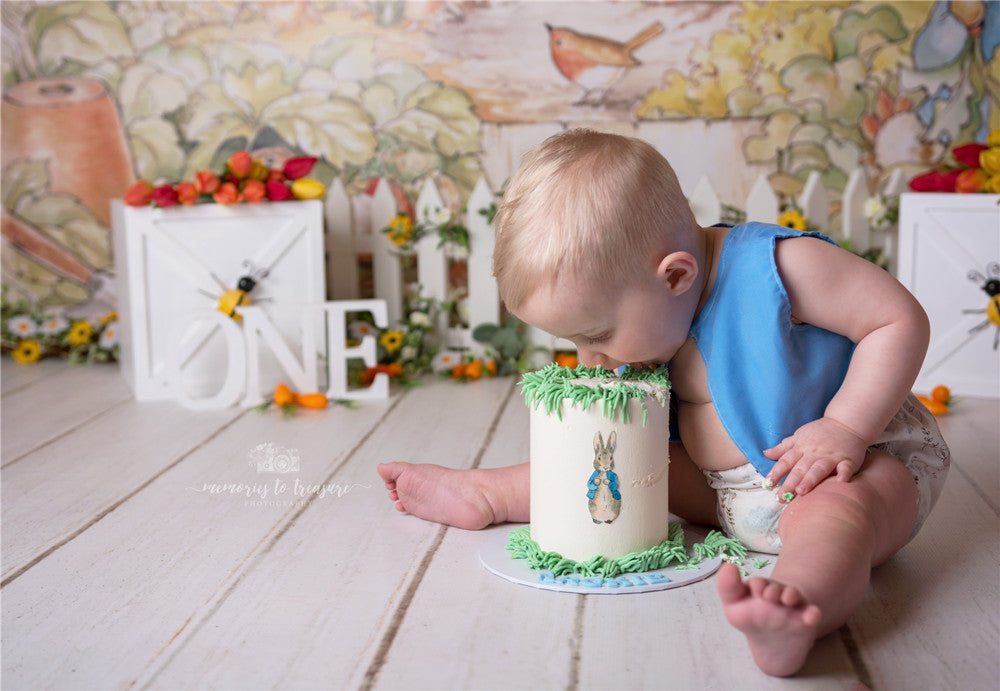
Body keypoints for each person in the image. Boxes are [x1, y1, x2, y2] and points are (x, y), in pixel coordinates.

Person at [377, 129, 949, 677]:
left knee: (838, 520)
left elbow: (897, 319)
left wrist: (844, 426)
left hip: (838, 469)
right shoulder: (658, 309)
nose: (590, 360)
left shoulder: (780, 266)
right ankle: (490, 493)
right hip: (717, 490)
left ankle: (796, 605)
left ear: (675, 276)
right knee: (621, 466)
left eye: (596, 336)